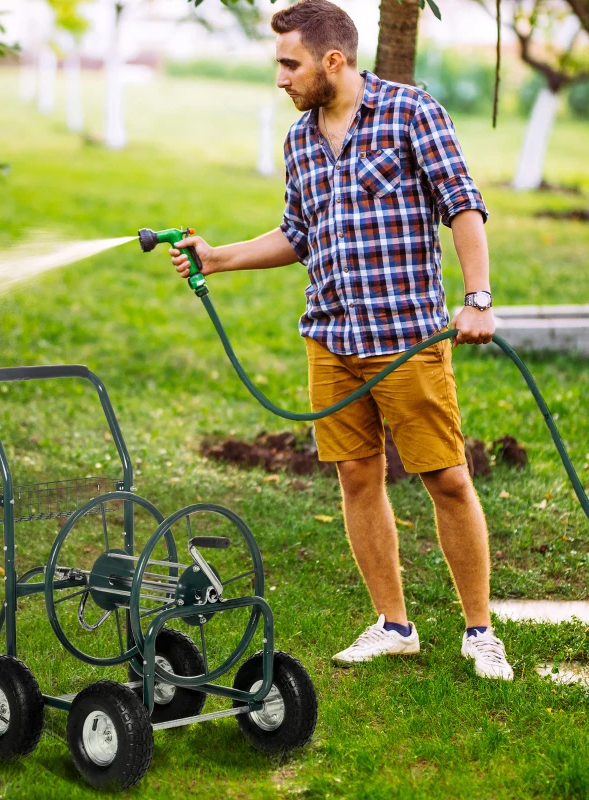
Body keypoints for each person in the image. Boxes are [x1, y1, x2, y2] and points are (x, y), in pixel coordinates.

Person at [169, 0, 513, 680]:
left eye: (289, 64)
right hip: (330, 337)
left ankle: (480, 631)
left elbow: (463, 205)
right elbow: (298, 232)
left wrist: (476, 299)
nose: (281, 78)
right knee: (357, 478)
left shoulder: (412, 113)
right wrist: (219, 257)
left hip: (405, 336)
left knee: (444, 477)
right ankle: (394, 624)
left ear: (333, 61)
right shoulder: (301, 139)